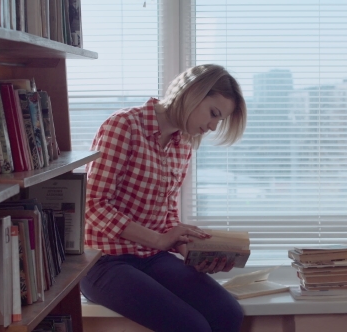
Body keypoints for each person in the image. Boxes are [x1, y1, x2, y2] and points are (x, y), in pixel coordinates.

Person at [80, 64, 247, 332]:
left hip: (152, 257)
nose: (214, 127)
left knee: (228, 314)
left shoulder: (183, 146)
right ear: (192, 93)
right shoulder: (124, 125)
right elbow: (93, 205)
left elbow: (166, 211)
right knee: (191, 327)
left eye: (220, 121)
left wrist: (191, 252)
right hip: (104, 262)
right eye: (214, 114)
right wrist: (159, 240)